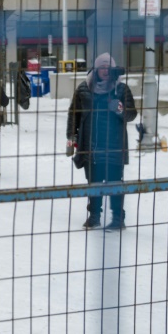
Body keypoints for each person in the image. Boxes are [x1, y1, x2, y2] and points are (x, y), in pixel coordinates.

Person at [66, 53, 138, 229]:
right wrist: (71, 136)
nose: (105, 71)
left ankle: (118, 219)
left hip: (114, 145)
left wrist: (120, 109)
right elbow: (73, 113)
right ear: (96, 69)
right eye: (102, 67)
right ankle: (94, 216)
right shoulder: (84, 88)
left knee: (115, 182)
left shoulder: (121, 89)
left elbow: (131, 114)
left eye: (108, 68)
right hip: (90, 145)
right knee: (93, 182)